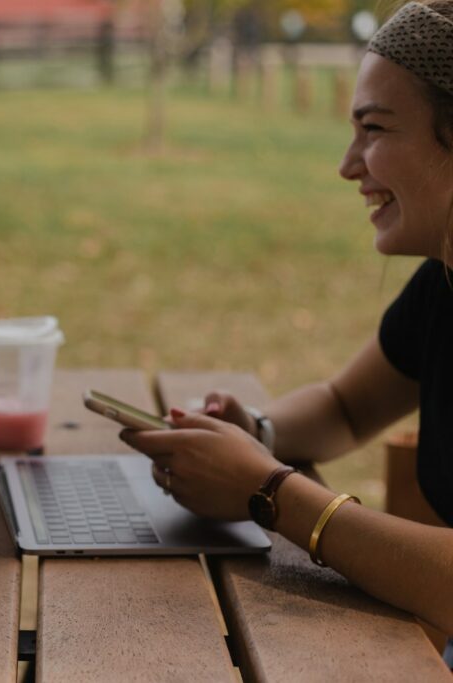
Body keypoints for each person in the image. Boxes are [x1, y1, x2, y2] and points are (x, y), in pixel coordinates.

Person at [122, 0, 453, 660]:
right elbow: (347, 406)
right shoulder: (441, 284)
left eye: (375, 129)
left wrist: (269, 491)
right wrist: (258, 433)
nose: (348, 164)